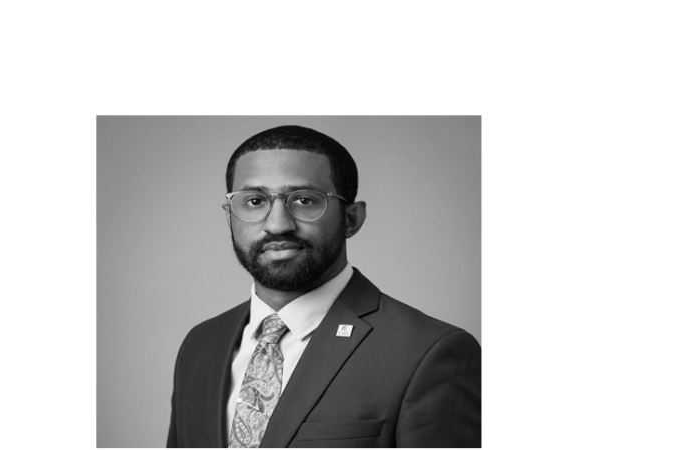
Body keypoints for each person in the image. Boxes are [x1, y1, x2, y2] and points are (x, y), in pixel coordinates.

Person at [167, 125, 481, 448]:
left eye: (304, 200)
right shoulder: (200, 345)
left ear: (351, 219)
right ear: (229, 216)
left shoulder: (426, 353)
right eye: (255, 201)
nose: (277, 224)